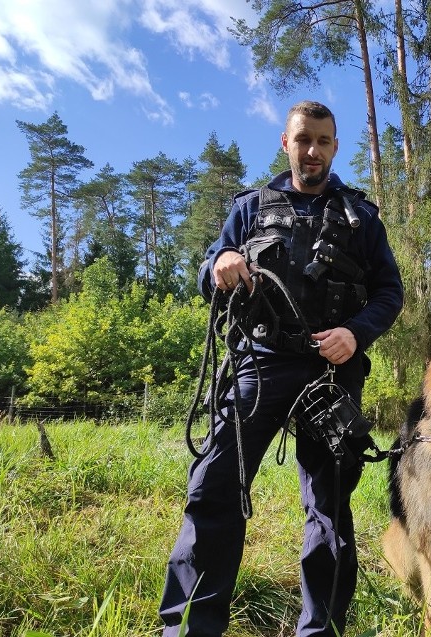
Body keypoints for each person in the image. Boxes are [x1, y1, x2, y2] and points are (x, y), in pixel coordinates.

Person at [159, 100, 404, 637]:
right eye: (303, 139)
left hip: (331, 375)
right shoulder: (250, 208)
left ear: (335, 147)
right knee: (214, 491)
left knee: (329, 509)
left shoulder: (361, 217)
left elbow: (390, 292)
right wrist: (218, 265)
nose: (312, 150)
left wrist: (355, 333)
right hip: (260, 364)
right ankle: (190, 629)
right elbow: (209, 276)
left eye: (322, 140)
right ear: (285, 142)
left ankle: (320, 631)